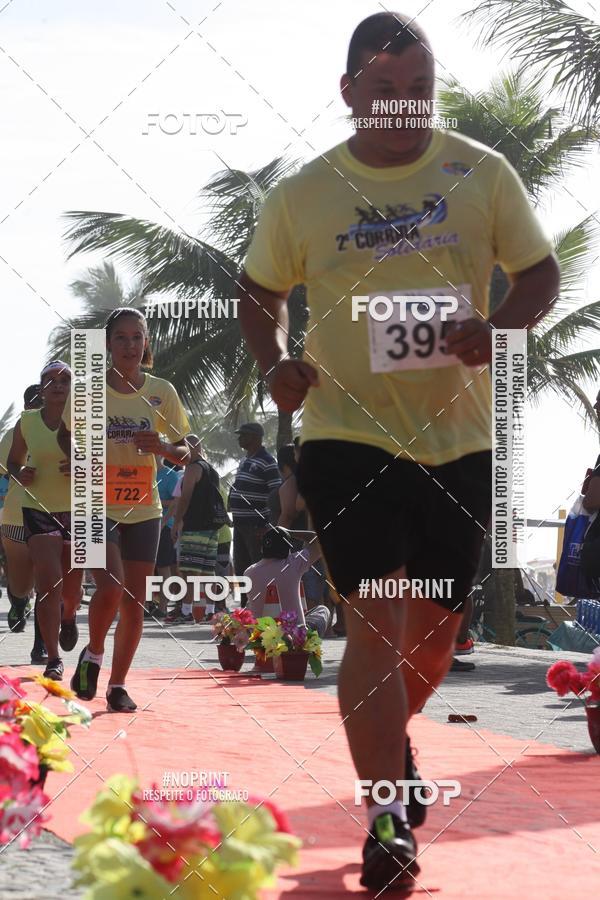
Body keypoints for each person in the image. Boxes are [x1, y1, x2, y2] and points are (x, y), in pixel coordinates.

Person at [238, 12, 559, 888]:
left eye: (419, 91)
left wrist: (498, 328)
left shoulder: (480, 174)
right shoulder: (303, 194)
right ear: (349, 95)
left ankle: (397, 751)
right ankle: (387, 817)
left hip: (458, 443)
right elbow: (257, 292)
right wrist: (278, 365)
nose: (405, 109)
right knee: (379, 622)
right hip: (346, 437)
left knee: (434, 643)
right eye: (386, 93)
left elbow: (539, 273)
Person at [59, 308, 191, 712]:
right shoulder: (88, 391)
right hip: (95, 504)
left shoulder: (161, 391)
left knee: (135, 601)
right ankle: (93, 654)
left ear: (146, 342)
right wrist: (81, 458)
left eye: (137, 337)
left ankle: (117, 686)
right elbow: (66, 436)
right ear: (107, 345)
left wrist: (164, 448)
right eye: (121, 338)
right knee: (112, 586)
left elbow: (187, 452)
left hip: (144, 508)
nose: (130, 345)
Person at [6, 363, 83, 680]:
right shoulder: (27, 421)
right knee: (49, 584)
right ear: (42, 388)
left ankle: (69, 616)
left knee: (72, 590)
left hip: (79, 511)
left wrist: (83, 468)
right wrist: (19, 473)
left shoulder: (85, 421)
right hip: (37, 508)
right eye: (51, 380)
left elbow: (103, 461)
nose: (58, 385)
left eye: (65, 380)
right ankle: (53, 658)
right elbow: (13, 461)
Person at [0, 384, 47, 661]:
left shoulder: (65, 431)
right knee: (21, 584)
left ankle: (40, 645)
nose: (41, 407)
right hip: (17, 514)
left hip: (54, 515)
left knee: (47, 582)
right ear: (27, 406)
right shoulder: (15, 432)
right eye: (36, 403)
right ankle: (18, 601)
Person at [169, 435, 228, 623]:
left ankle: (186, 612)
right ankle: (211, 611)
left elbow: (184, 498)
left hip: (195, 527)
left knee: (189, 571)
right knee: (207, 571)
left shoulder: (192, 468)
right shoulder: (212, 470)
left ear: (189, 448)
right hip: (212, 528)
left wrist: (177, 522)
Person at [245, 526, 331, 638]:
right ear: (288, 549)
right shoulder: (294, 563)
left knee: (248, 606)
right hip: (295, 636)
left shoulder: (249, 572)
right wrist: (290, 532)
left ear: (262, 549)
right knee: (322, 610)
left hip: (261, 638)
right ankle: (308, 642)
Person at [228, 422, 281, 576]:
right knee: (242, 568)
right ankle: (246, 600)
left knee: (257, 567)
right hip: (240, 524)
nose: (240, 438)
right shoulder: (245, 460)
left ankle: (260, 599)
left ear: (256, 437)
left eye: (244, 435)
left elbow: (276, 494)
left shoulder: (268, 461)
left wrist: (269, 524)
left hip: (257, 526)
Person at [145, 457, 182, 619]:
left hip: (164, 526)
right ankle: (147, 603)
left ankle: (163, 606)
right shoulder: (145, 473)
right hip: (143, 524)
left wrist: (164, 522)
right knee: (144, 567)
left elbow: (177, 502)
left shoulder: (171, 475)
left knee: (163, 567)